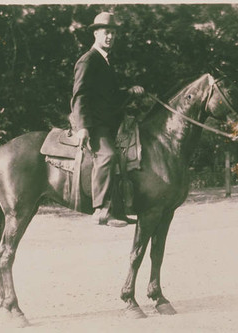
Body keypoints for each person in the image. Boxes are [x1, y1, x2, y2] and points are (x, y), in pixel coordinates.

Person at [70, 12, 144, 227]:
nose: (110, 36)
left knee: (125, 156)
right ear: (95, 33)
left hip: (110, 122)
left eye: (113, 32)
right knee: (108, 155)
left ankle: (118, 210)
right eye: (106, 32)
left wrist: (130, 91)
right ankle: (101, 209)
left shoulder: (105, 61)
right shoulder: (88, 60)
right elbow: (80, 95)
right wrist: (83, 127)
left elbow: (109, 97)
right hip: (95, 124)